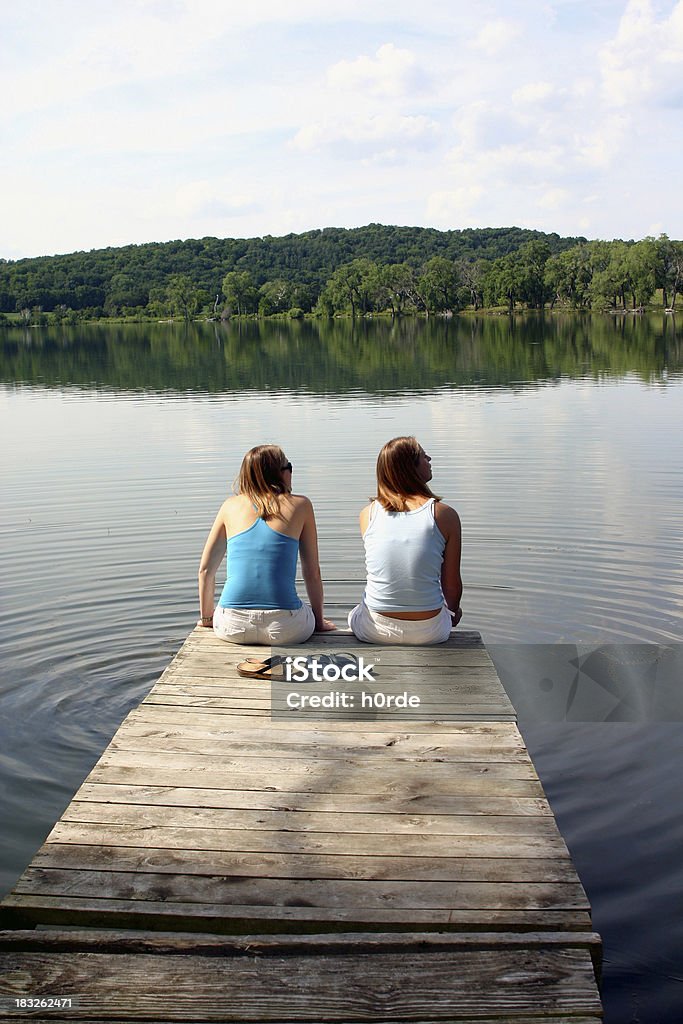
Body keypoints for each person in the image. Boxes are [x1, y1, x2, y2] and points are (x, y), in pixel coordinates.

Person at [198, 445, 336, 644]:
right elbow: (312, 571)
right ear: (280, 473)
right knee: (304, 610)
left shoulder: (230, 506)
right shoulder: (301, 505)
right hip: (285, 629)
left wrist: (207, 619)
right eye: (289, 467)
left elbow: (205, 571)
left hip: (232, 626)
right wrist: (319, 622)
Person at [348, 436, 462, 645]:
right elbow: (451, 584)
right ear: (410, 467)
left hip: (375, 630)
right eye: (422, 455)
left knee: (355, 612)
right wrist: (454, 611)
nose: (429, 458)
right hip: (430, 632)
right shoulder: (444, 515)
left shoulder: (368, 514)